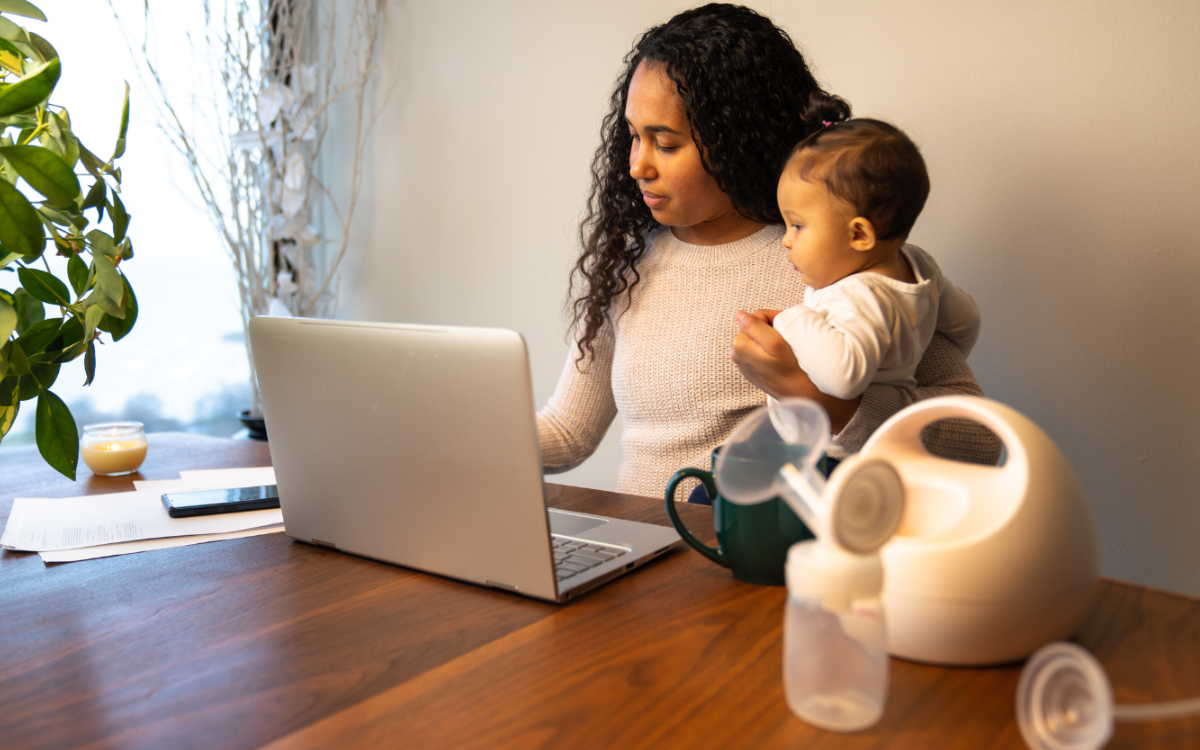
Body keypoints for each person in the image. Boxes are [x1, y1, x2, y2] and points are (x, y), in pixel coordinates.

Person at [536, 4, 997, 501]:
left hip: (756, 567)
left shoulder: (830, 263)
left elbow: (978, 439)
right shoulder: (627, 267)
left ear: (735, 140)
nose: (636, 167)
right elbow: (568, 432)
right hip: (646, 563)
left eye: (665, 144)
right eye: (633, 137)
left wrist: (824, 404)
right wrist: (455, 434)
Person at [769, 97, 980, 402]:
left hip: (833, 444)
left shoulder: (856, 296)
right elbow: (967, 322)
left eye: (797, 226)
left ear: (859, 234)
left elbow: (843, 379)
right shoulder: (921, 265)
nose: (786, 239)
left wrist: (791, 320)